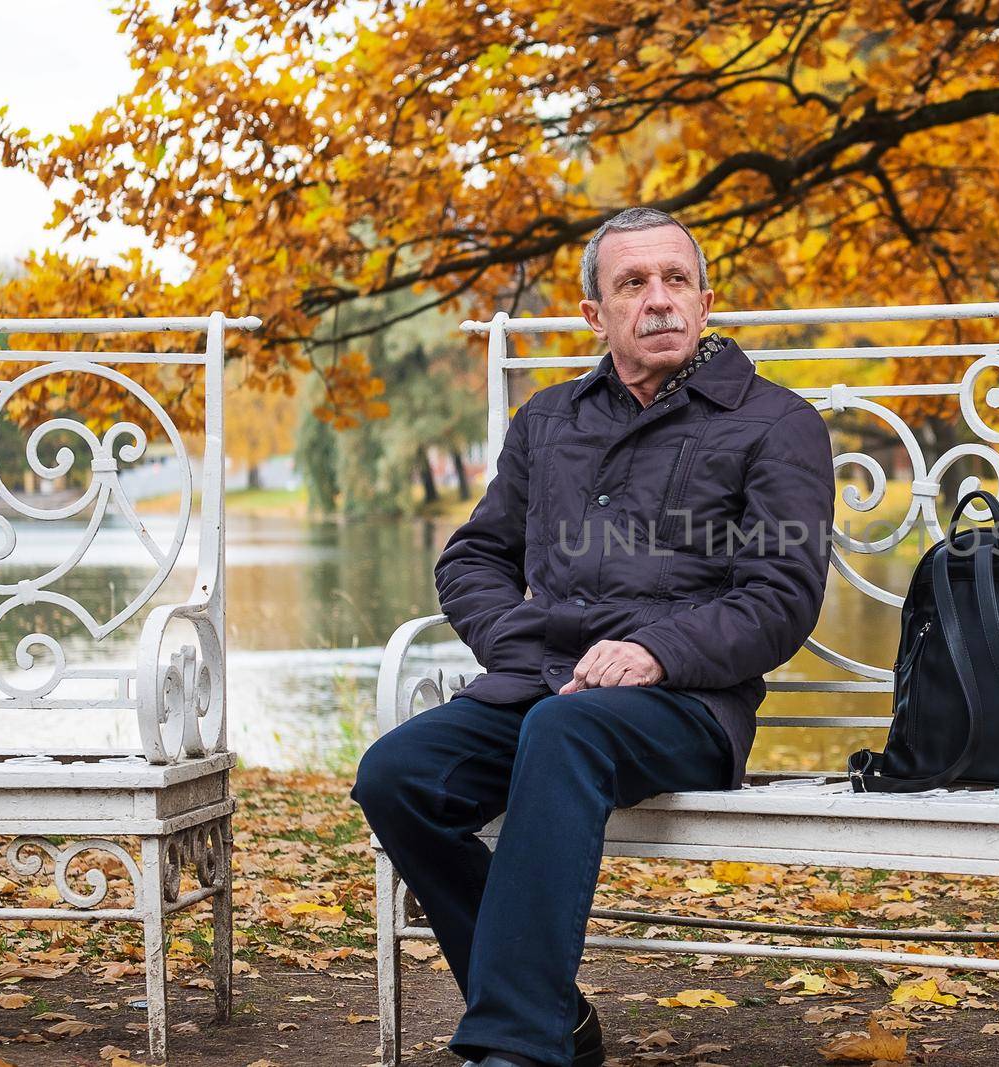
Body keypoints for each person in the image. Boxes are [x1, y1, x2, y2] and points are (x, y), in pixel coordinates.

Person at [351, 207, 837, 1067]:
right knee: (398, 776)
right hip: (543, 688)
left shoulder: (775, 423)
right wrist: (514, 641)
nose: (659, 301)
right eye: (633, 284)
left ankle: (516, 1046)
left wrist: (657, 652)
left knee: (562, 730)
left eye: (676, 281)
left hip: (687, 703)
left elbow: (779, 597)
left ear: (706, 299)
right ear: (595, 315)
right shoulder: (549, 421)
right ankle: (558, 1015)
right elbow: (473, 557)